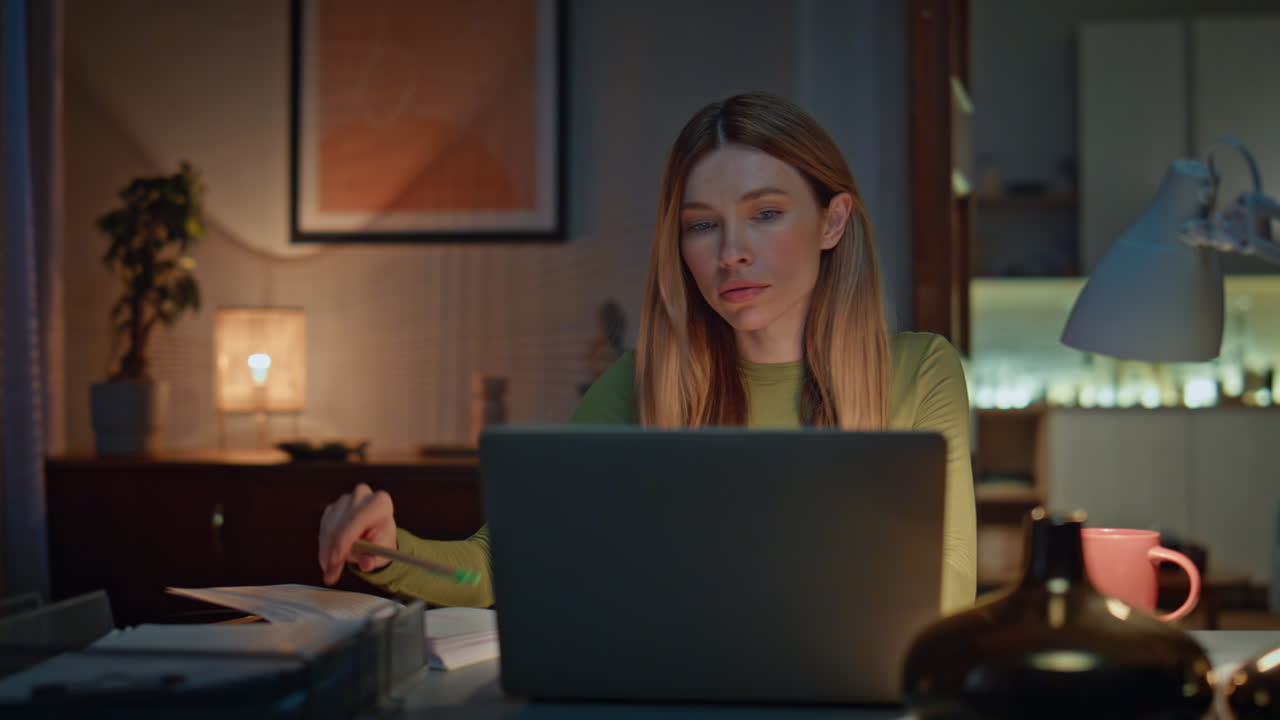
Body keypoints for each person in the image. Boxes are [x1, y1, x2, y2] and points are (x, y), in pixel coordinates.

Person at [318, 92, 977, 614]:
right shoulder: (640, 383)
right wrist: (390, 552)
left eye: (766, 213)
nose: (731, 252)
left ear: (832, 221)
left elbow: (946, 595)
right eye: (701, 225)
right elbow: (500, 567)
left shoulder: (921, 372)